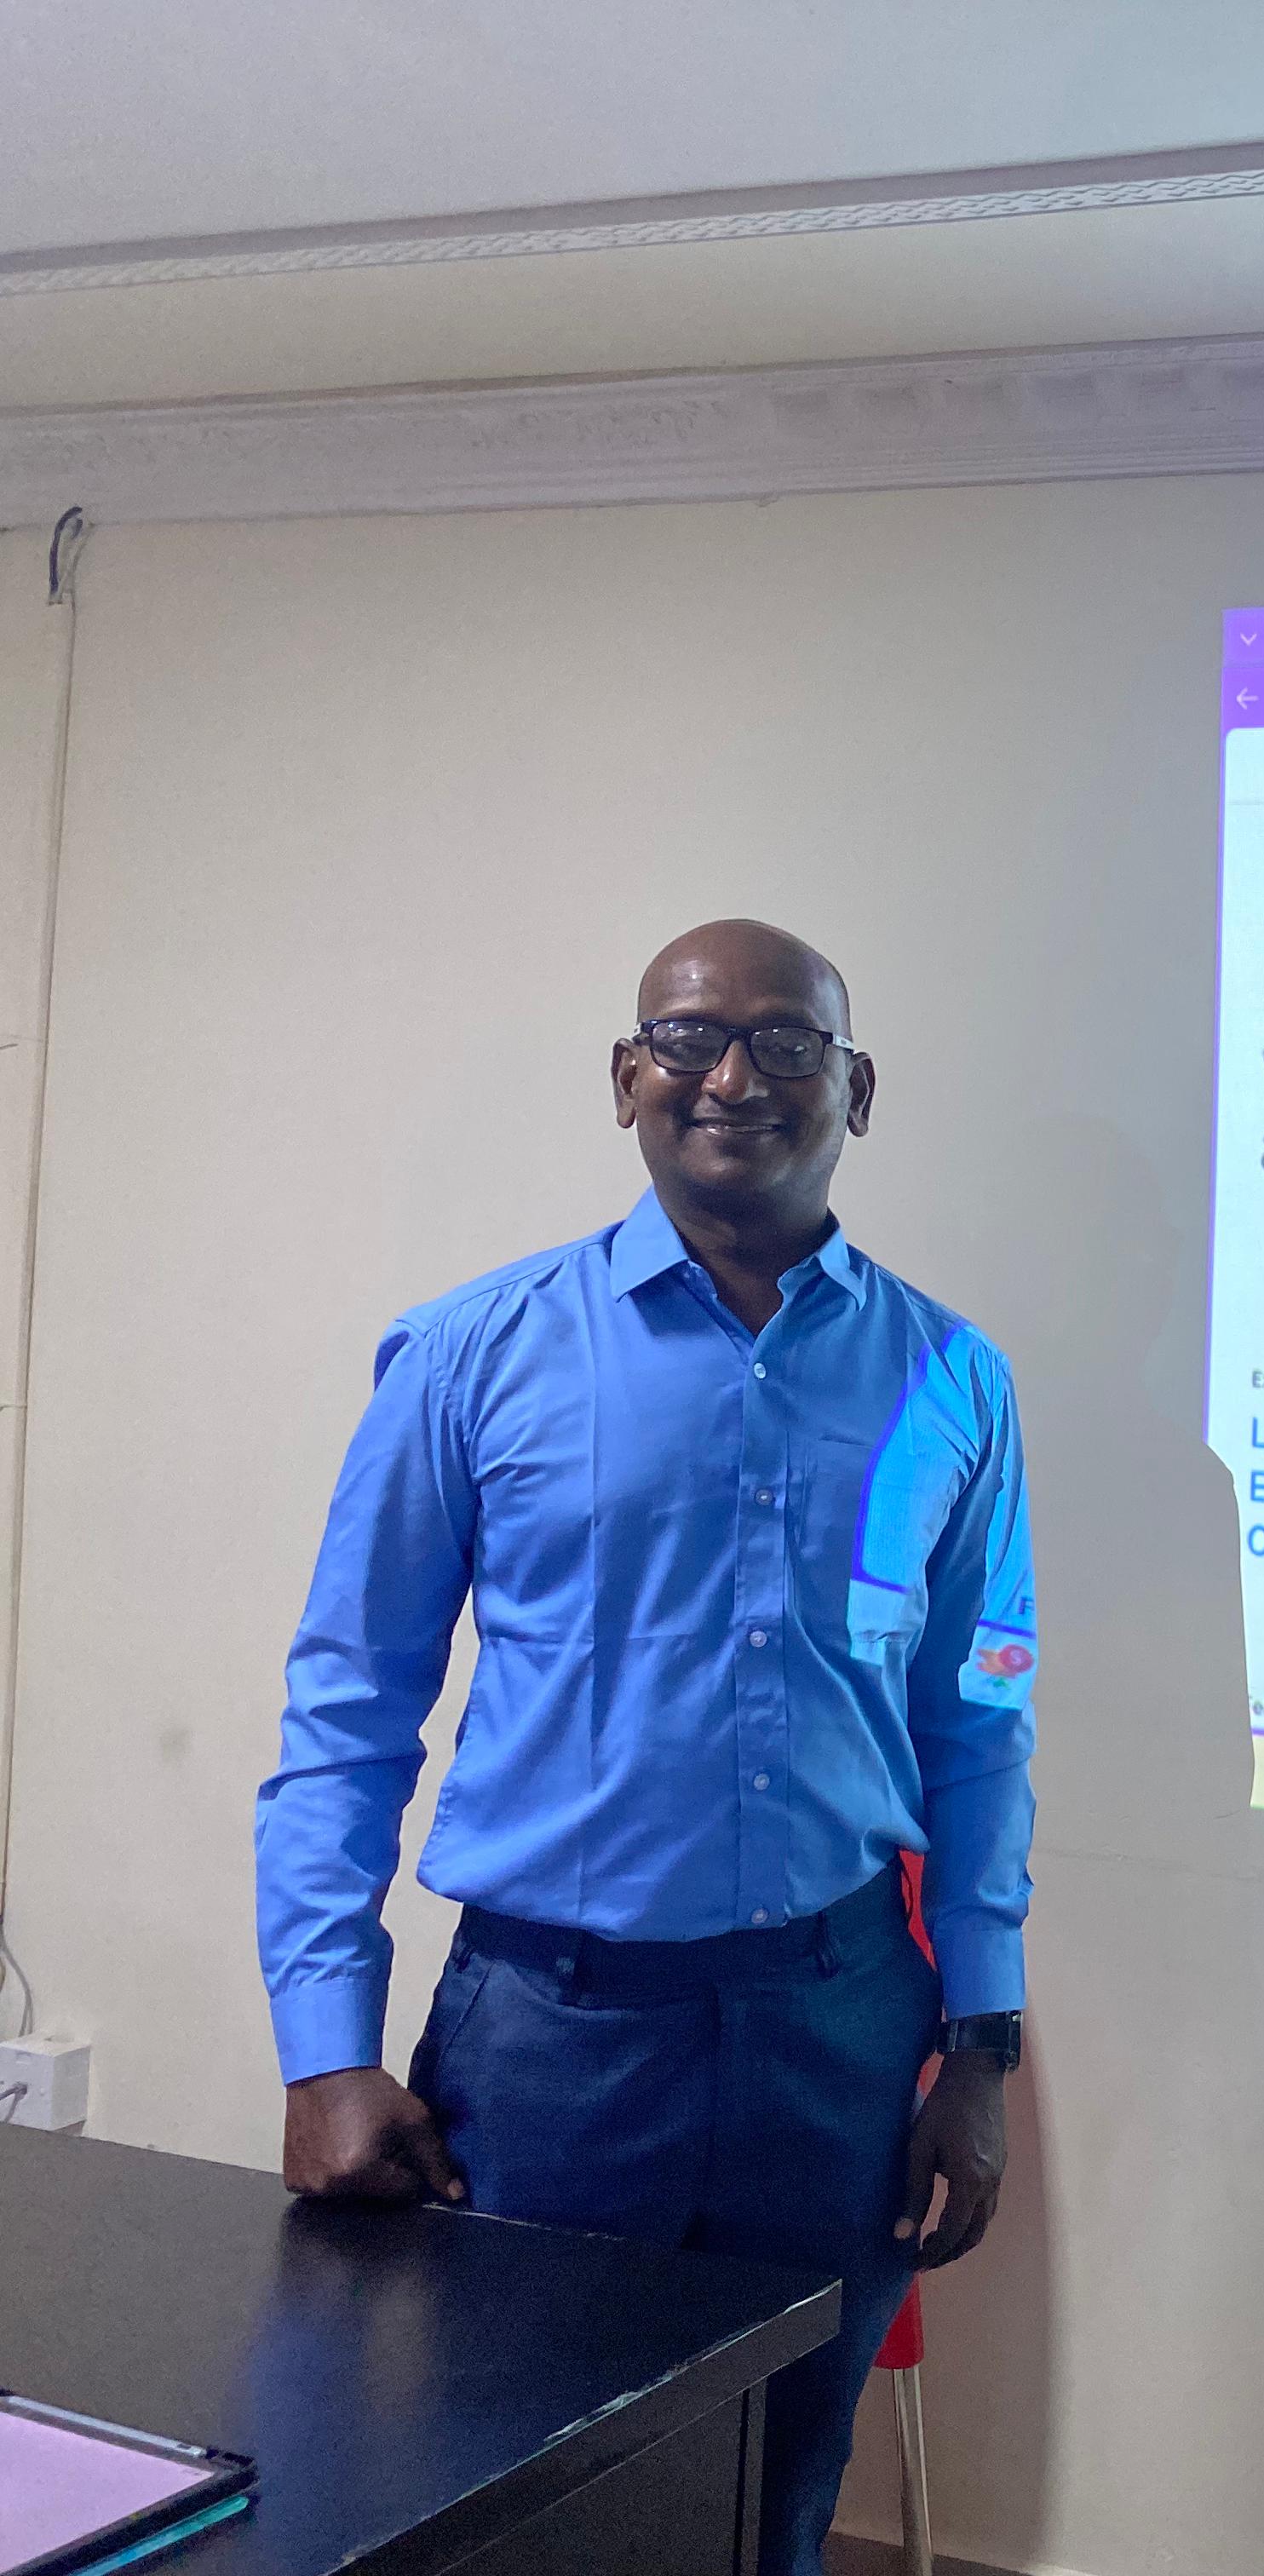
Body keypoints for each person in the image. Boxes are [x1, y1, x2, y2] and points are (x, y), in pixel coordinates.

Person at [253, 921, 1037, 2576]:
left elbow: (978, 1723)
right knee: (516, 2511)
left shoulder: (953, 1382)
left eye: (786, 1040)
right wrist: (325, 2046)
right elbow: (349, 1705)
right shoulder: (472, 1352)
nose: (733, 1075)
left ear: (858, 1089)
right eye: (687, 1038)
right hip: (551, 2048)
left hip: (838, 2041)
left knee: (777, 2505)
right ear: (627, 1078)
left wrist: (979, 2049)